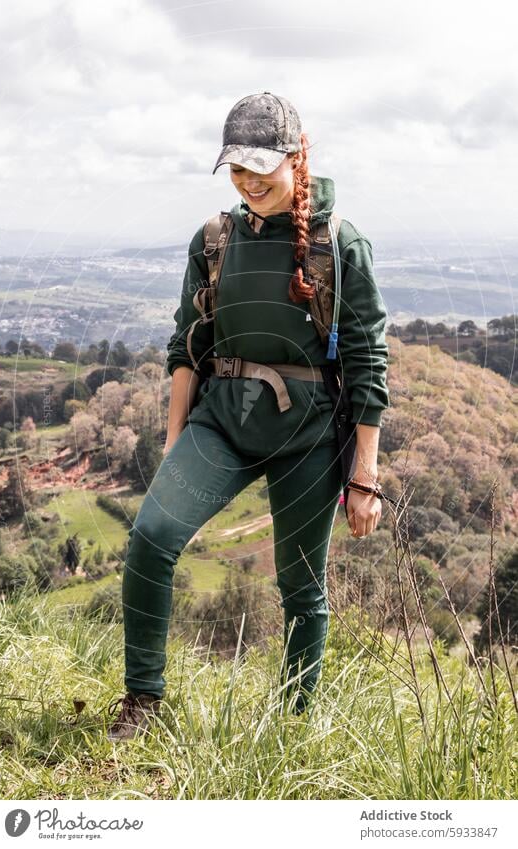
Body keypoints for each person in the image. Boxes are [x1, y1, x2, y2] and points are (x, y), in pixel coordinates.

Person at [107, 91, 389, 741]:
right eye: (235, 167)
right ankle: (142, 702)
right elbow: (188, 344)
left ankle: (291, 728)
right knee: (150, 536)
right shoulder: (213, 239)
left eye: (259, 164)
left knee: (299, 587)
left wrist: (364, 475)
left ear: (297, 158)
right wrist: (177, 439)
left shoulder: (340, 242)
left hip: (309, 436)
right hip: (221, 422)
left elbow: (369, 358)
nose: (247, 180)